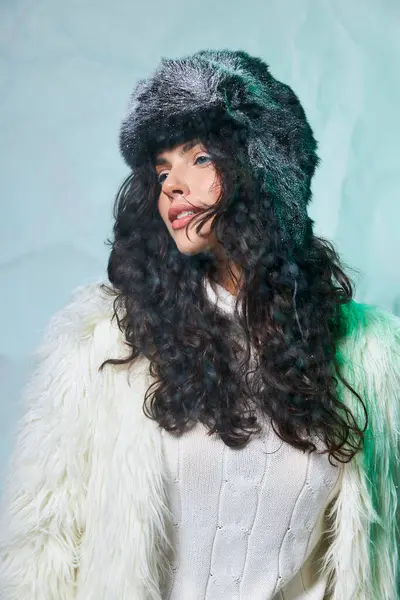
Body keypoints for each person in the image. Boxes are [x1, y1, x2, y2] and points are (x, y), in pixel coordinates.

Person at [0, 48, 399, 600]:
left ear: (262, 169)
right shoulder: (105, 345)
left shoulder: (368, 355)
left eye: (199, 158)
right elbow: (43, 549)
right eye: (162, 169)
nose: (171, 185)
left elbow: (367, 561)